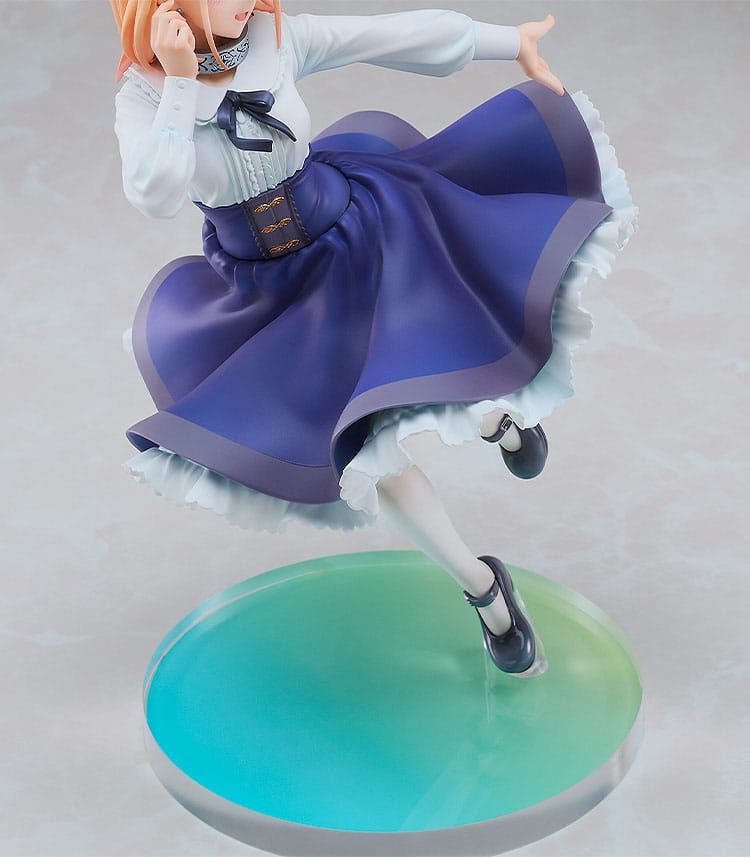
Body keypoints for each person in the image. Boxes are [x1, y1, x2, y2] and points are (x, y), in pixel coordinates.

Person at [109, 0, 637, 677]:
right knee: (366, 452)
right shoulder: (143, 95)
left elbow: (388, 35)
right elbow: (153, 193)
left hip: (365, 235)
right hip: (278, 297)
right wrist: (181, 82)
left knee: (446, 349)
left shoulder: (276, 40)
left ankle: (498, 419)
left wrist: (508, 41)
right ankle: (485, 591)